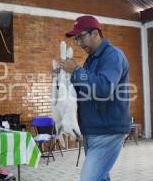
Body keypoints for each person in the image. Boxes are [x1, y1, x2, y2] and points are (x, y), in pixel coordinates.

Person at [61, 15, 131, 181]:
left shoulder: (113, 56)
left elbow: (104, 88)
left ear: (95, 33)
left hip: (108, 130)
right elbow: (85, 91)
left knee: (89, 178)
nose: (78, 43)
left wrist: (77, 71)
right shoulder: (91, 60)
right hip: (93, 130)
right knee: (100, 177)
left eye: (81, 37)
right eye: (76, 39)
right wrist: (64, 79)